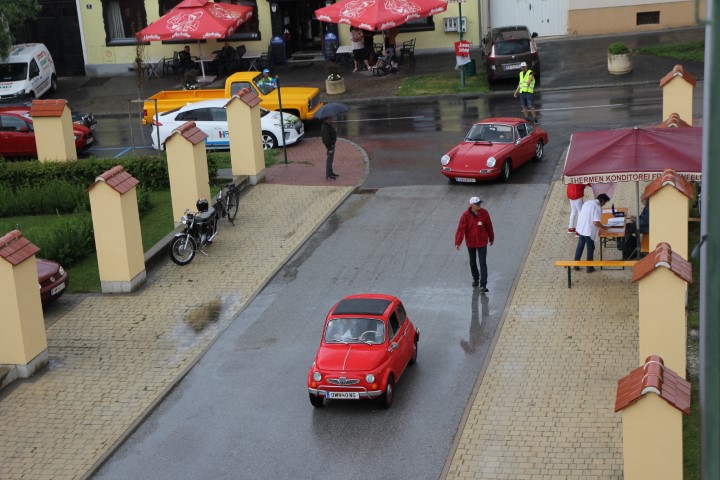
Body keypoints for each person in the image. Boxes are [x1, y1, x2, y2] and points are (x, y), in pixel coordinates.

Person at [455, 196, 494, 292]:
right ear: (472, 205)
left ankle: (483, 285)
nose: (479, 205)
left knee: (482, 263)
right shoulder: (465, 216)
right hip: (471, 242)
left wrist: (491, 238)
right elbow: (461, 229)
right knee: (472, 262)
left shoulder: (484, 213)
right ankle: (476, 278)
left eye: (480, 203)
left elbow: (489, 226)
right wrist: (458, 242)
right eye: (477, 204)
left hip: (482, 242)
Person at [574, 193, 611, 272]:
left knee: (580, 246)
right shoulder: (597, 207)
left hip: (581, 228)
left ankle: (576, 264)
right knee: (590, 248)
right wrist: (604, 227)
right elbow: (596, 222)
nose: (604, 205)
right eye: (604, 203)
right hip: (588, 231)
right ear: (602, 201)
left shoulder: (587, 202)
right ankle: (589, 267)